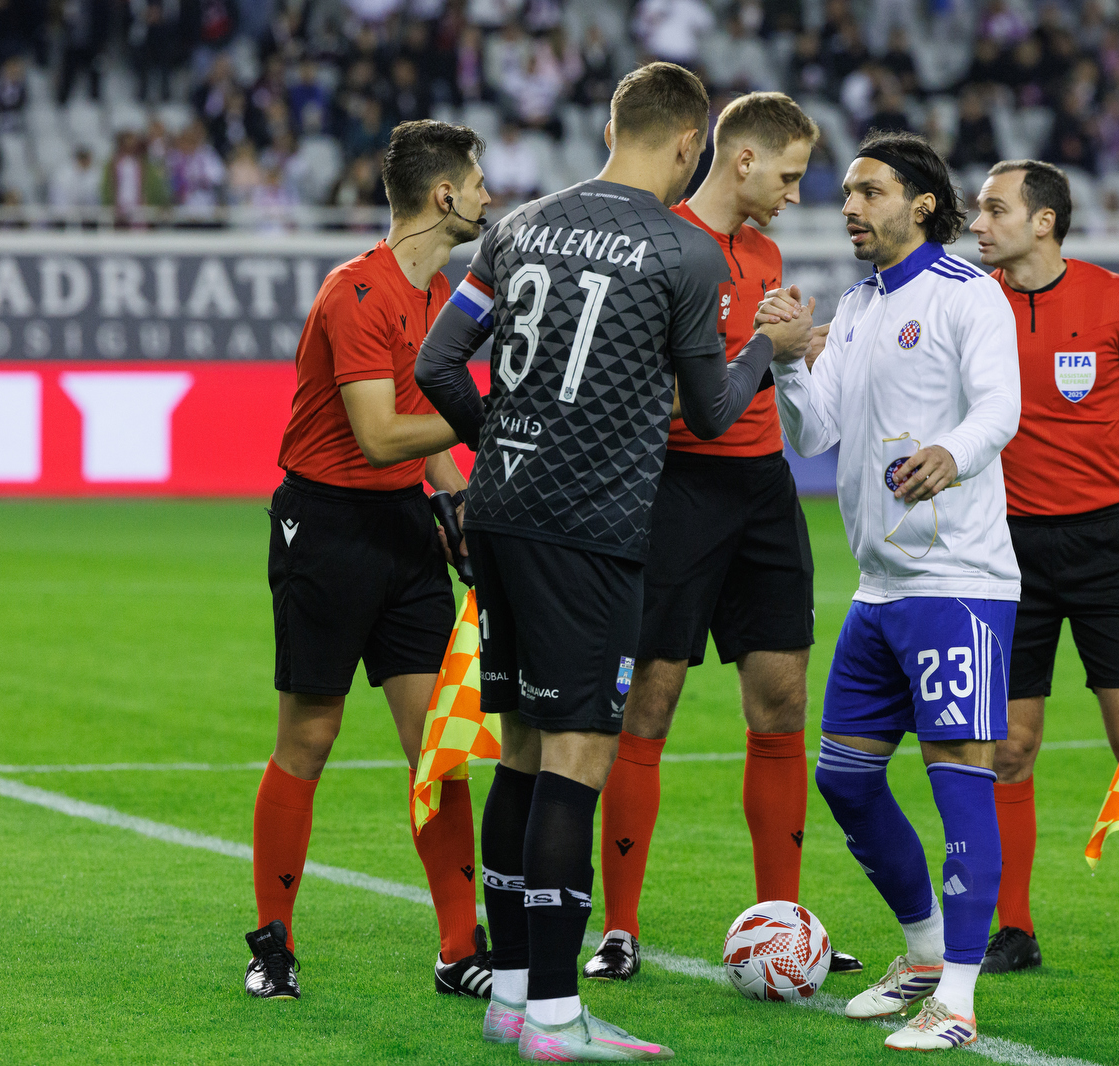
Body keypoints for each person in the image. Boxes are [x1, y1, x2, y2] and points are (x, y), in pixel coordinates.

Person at [414, 62, 816, 1061]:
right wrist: (770, 346)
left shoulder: (514, 228)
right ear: (690, 145)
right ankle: (555, 1016)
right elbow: (716, 412)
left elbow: (434, 364)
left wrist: (498, 448)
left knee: (516, 747)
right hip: (589, 528)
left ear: (610, 124)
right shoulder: (684, 252)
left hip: (501, 513)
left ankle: (512, 996)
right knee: (577, 756)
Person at [585, 90, 859, 983]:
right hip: (673, 492)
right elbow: (659, 399)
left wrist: (795, 352)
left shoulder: (766, 250)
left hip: (763, 490)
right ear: (741, 159)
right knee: (648, 709)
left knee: (781, 704)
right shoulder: (663, 245)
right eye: (787, 173)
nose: (793, 192)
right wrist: (766, 349)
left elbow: (757, 367)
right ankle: (618, 928)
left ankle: (781, 917)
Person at [764, 130, 1022, 1052]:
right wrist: (793, 359)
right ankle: (920, 951)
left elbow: (1001, 407)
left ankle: (957, 995)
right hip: (879, 588)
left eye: (869, 191)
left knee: (959, 778)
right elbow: (817, 430)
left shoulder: (970, 294)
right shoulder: (861, 303)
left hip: (958, 582)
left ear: (921, 204)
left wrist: (953, 453)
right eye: (846, 192)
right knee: (844, 777)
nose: (848, 206)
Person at [245, 120, 495, 1004]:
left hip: (402, 527)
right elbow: (379, 432)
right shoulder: (357, 291)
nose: (487, 196)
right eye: (477, 181)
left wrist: (453, 494)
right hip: (325, 526)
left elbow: (417, 426)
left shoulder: (442, 298)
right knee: (309, 735)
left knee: (438, 749)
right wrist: (486, 423)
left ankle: (460, 947)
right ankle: (272, 943)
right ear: (443, 196)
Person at [969, 159, 1119, 981]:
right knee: (1009, 748)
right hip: (1003, 551)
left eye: (995, 209)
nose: (978, 222)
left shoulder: (1117, 303)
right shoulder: (972, 302)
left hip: (1108, 545)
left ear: (1044, 221)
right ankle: (1014, 929)